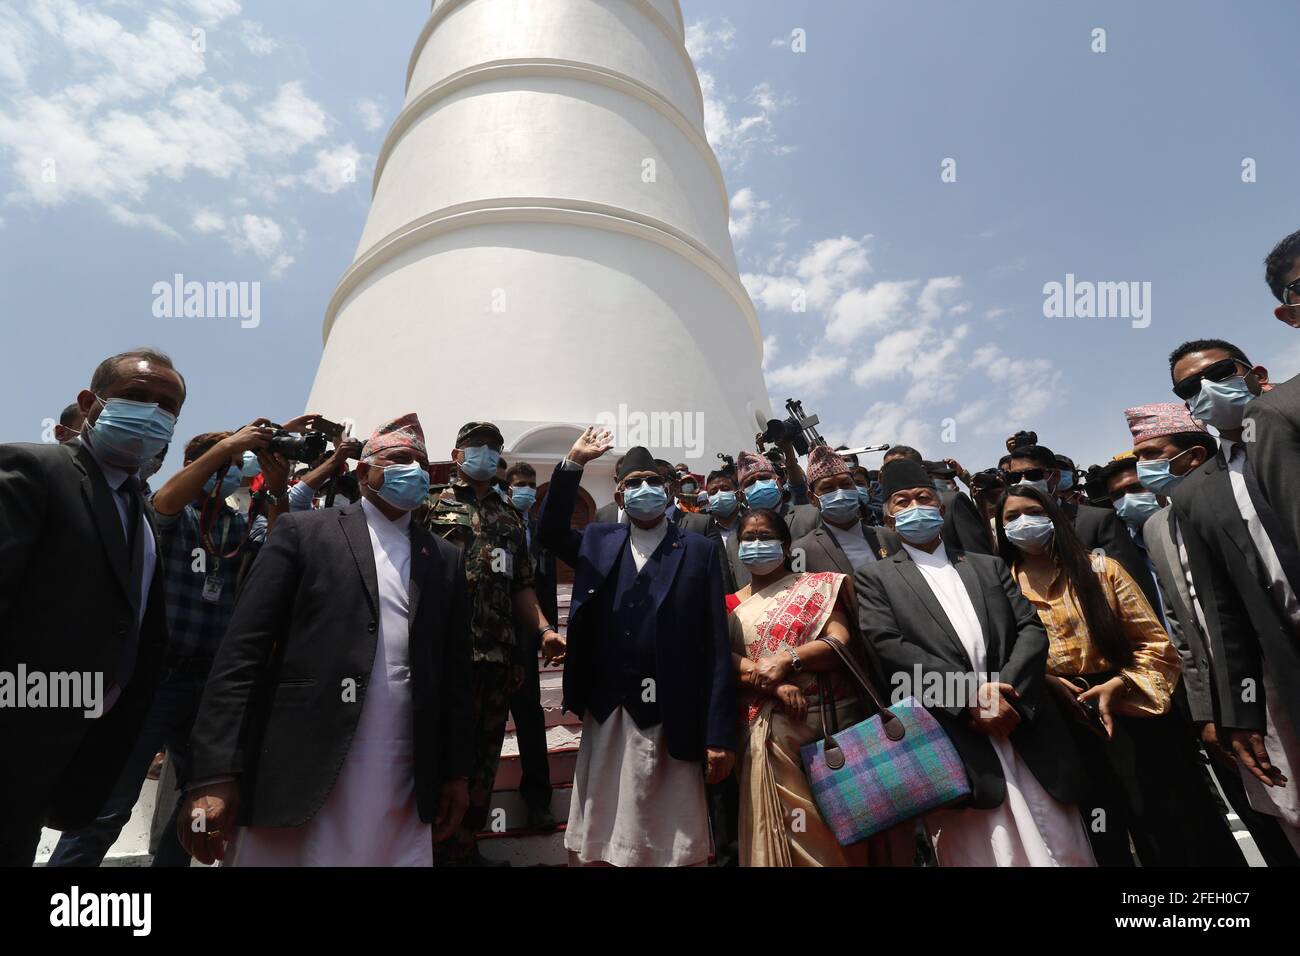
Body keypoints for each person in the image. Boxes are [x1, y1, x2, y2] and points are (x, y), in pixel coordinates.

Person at [177, 414, 473, 866]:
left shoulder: (444, 557)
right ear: (363, 472)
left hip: (401, 774)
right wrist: (213, 775)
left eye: (418, 461)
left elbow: (455, 675)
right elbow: (242, 655)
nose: (410, 469)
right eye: (397, 458)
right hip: (300, 766)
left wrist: (455, 772)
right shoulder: (305, 533)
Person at [48, 426, 288, 867]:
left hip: (210, 688)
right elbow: (167, 503)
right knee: (110, 807)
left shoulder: (236, 524)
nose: (235, 475)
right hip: (159, 679)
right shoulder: (170, 511)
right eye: (228, 467)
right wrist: (226, 448)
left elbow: (281, 542)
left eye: (238, 468)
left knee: (198, 800)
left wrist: (276, 491)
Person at [856, 459, 1094, 867]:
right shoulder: (875, 578)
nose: (915, 505)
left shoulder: (987, 565)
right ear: (889, 516)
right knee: (984, 850)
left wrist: (1008, 697)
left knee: (1060, 843)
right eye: (902, 501)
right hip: (957, 730)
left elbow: (1031, 631)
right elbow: (889, 648)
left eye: (923, 497)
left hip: (1022, 720)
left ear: (942, 509)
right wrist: (970, 697)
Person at [996, 483, 1246, 866]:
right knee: (1102, 834)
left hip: (1130, 711)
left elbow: (1156, 646)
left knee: (1174, 827)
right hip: (1059, 723)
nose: (1024, 522)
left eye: (1033, 511)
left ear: (1054, 516)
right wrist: (1046, 681)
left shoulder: (1100, 569)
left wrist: (1119, 684)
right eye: (1011, 517)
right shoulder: (1002, 588)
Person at [0, 348, 184, 865]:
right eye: (137, 397)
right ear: (90, 402)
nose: (152, 413)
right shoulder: (34, 469)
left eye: (167, 407)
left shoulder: (139, 508)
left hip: (71, 750)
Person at [537, 430, 735, 866]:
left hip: (673, 715)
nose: (643, 489)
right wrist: (573, 463)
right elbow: (549, 531)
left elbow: (717, 644)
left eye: (652, 481)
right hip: (609, 709)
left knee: (673, 839)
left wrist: (719, 735)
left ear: (668, 491)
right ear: (619, 494)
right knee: (604, 834)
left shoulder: (698, 550)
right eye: (632, 482)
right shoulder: (598, 541)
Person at [1123, 402, 1300, 863]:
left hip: (1282, 669)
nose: (1144, 467)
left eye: (1153, 453)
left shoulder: (1243, 493)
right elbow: (1185, 633)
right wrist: (1207, 713)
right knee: (1283, 810)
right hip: (1237, 698)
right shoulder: (1157, 527)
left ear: (1195, 454)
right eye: (1139, 456)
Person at [1169, 338, 1300, 852]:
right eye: (1188, 387)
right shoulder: (1194, 494)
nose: (1205, 388)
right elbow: (1223, 613)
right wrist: (1239, 713)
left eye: (1218, 372)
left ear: (1253, 372)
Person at [729, 507, 903, 866]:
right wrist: (772, 686)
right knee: (786, 827)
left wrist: (788, 660)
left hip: (832, 723)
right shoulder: (729, 605)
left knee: (842, 821)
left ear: (787, 544)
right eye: (749, 538)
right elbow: (723, 663)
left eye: (766, 538)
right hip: (767, 729)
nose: (757, 545)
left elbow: (839, 642)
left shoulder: (819, 586)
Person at [422, 421, 557, 866]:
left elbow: (522, 586)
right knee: (436, 753)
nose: (485, 453)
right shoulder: (427, 504)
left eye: (493, 447)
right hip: (441, 656)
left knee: (483, 760)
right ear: (458, 454)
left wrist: (542, 630)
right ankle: (424, 847)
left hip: (496, 657)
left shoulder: (510, 518)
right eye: (476, 446)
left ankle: (465, 846)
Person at [1002, 443, 1160, 613]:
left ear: (1054, 476)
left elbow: (1134, 585)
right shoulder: (1014, 532)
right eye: (1014, 478)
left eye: (1032, 475)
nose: (1022, 482)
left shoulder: (1096, 521)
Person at [504, 461, 556, 830]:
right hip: (487, 637)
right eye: (519, 484)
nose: (525, 490)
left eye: (530, 484)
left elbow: (545, 586)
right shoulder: (496, 524)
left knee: (530, 718)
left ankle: (537, 800)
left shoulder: (539, 531)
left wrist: (545, 632)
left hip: (525, 639)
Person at [793, 444, 900, 574]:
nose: (840, 493)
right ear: (812, 498)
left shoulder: (890, 537)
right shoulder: (800, 551)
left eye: (846, 484)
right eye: (828, 488)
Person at [728, 450, 819, 589]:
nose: (758, 484)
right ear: (741, 495)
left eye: (764, 477)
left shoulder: (810, 516)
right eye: (750, 482)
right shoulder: (734, 542)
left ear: (779, 481)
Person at [883, 445, 993, 555]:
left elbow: (979, 556)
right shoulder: (891, 519)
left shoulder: (952, 501)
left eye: (902, 467)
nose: (894, 473)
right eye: (887, 470)